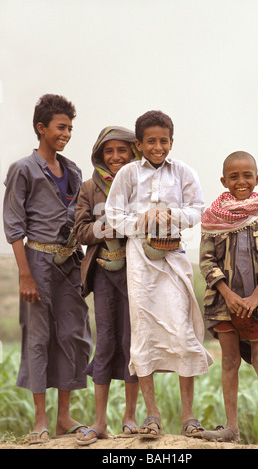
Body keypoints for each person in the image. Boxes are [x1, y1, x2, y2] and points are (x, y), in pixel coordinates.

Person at [105, 110, 213, 438]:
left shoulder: (183, 172)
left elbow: (198, 210)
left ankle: (189, 416)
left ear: (171, 141)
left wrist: (170, 215)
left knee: (182, 332)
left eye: (163, 140)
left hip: (174, 257)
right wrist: (142, 220)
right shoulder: (127, 174)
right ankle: (152, 416)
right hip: (139, 261)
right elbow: (112, 214)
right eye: (150, 141)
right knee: (144, 334)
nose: (157, 146)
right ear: (138, 144)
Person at [3, 94, 93, 444]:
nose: (66, 133)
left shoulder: (72, 170)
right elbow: (14, 225)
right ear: (41, 128)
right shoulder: (23, 169)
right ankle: (41, 419)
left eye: (70, 128)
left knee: (73, 334)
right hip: (37, 262)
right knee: (38, 339)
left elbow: (79, 220)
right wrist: (25, 274)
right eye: (60, 127)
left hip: (69, 263)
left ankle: (63, 416)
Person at [199, 151, 258, 444]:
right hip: (224, 304)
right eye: (233, 176)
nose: (241, 181)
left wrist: (255, 296)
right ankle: (231, 429)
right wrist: (229, 294)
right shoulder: (212, 217)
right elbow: (206, 262)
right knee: (229, 361)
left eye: (247, 175)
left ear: (257, 178)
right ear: (224, 181)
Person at [74, 126, 140, 446]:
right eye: (108, 152)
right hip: (102, 274)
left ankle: (130, 418)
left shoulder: (141, 183)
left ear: (133, 153)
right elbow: (81, 232)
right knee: (106, 344)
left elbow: (149, 225)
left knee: (132, 345)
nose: (115, 157)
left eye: (122, 151)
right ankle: (99, 422)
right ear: (100, 155)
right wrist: (108, 224)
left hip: (136, 276)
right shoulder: (89, 187)